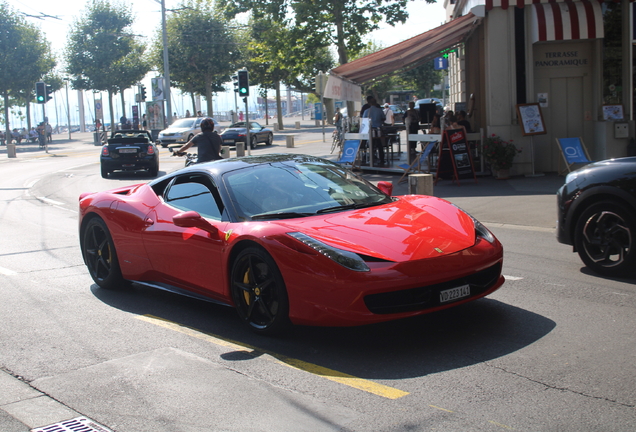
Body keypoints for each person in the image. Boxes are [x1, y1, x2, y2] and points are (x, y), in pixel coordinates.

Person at [362, 98, 386, 166]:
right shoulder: (379, 110)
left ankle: (371, 158)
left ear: (369, 103)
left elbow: (364, 121)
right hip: (378, 129)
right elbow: (384, 118)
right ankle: (382, 159)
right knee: (380, 145)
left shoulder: (366, 111)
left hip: (370, 130)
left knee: (370, 146)